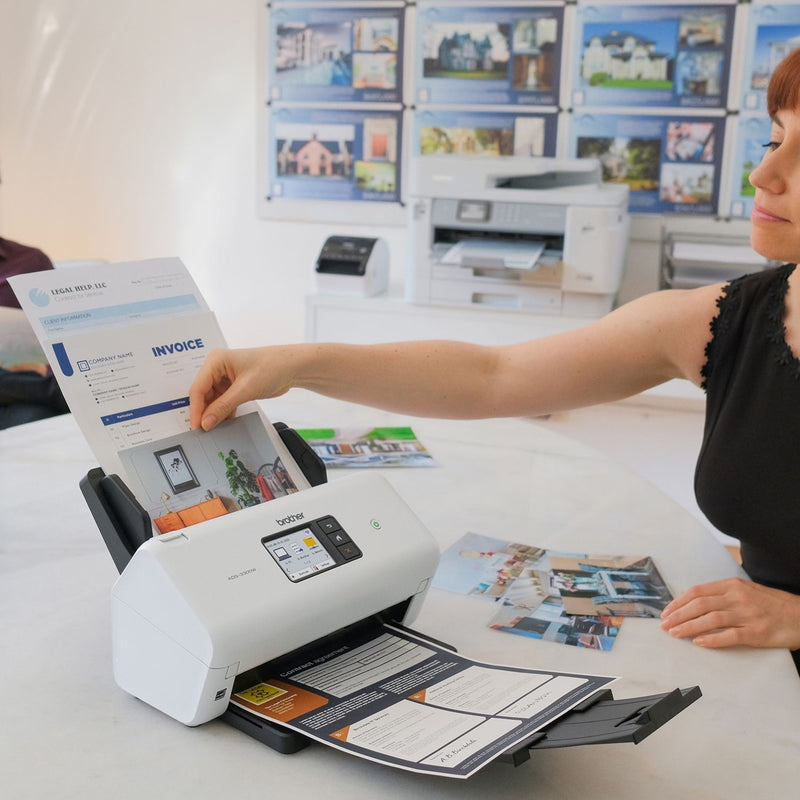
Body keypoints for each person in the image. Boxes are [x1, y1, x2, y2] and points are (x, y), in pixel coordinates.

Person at [188, 49, 800, 671]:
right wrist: (297, 363)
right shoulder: (727, 319)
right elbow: (491, 378)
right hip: (753, 666)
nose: (765, 175)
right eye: (774, 139)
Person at [0, 234, 68, 428]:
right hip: (28, 387)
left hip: (25, 387)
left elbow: (63, 325)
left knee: (37, 420)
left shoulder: (31, 261)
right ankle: (60, 393)